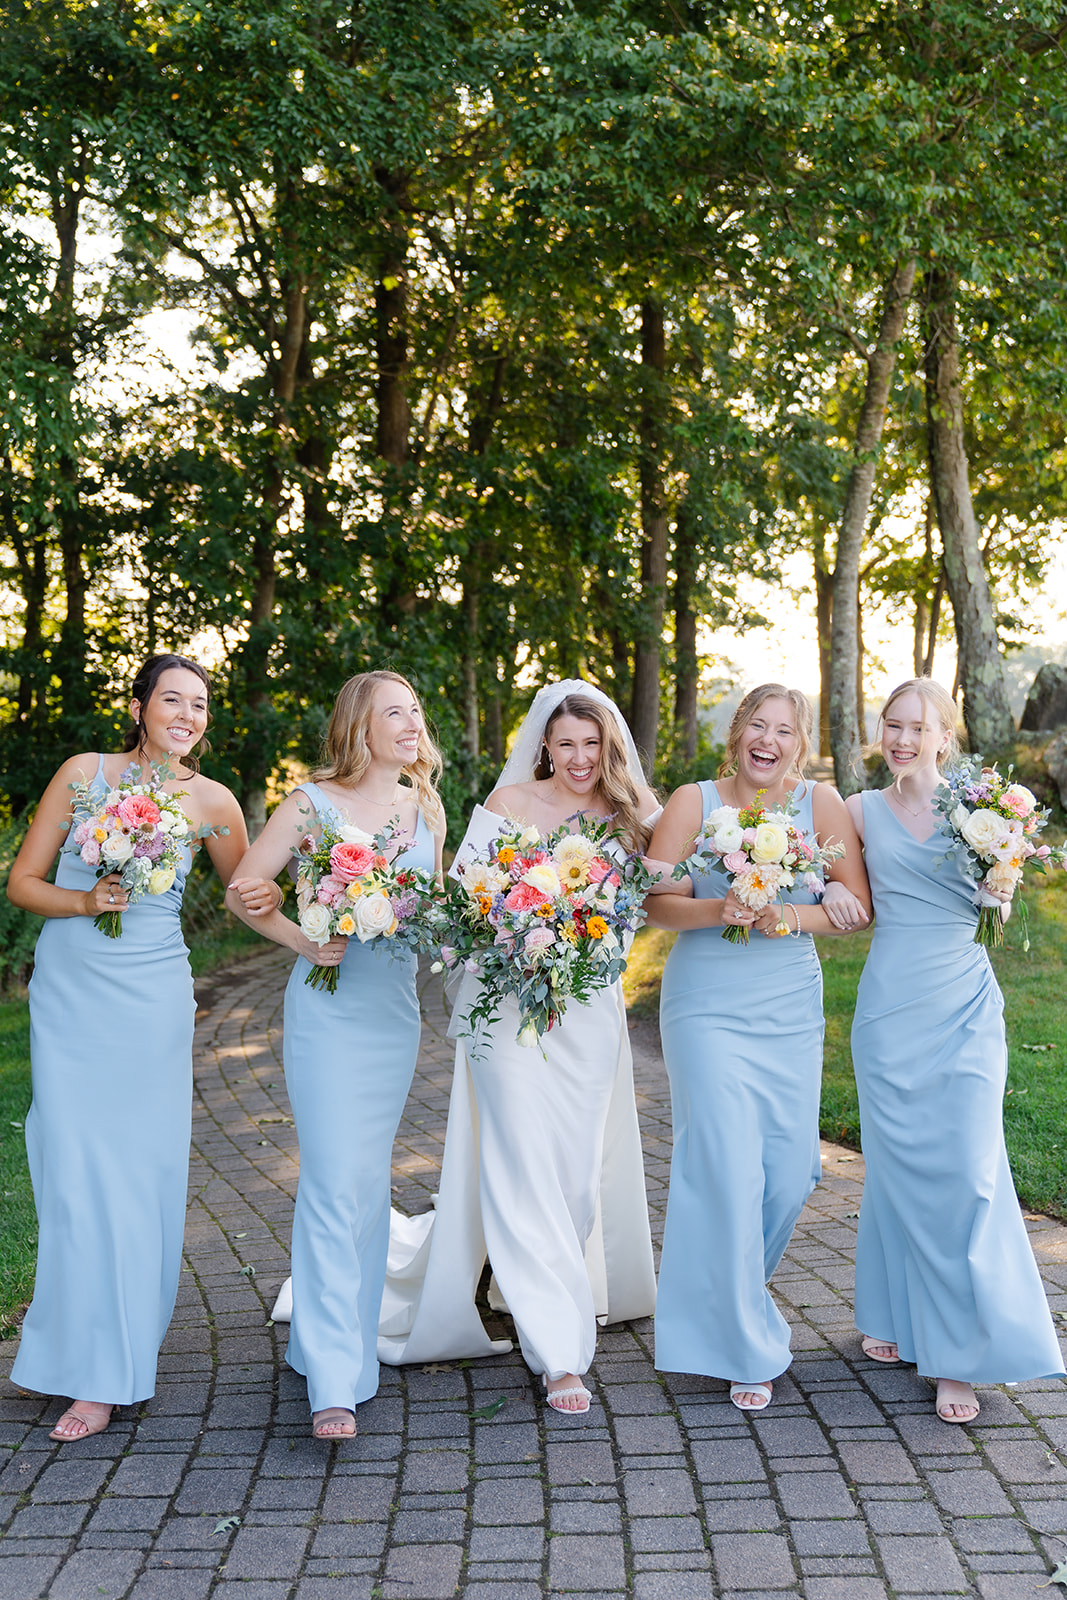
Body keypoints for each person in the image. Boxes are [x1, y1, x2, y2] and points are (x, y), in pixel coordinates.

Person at [379, 681, 682, 1413]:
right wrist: (518, 927)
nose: (580, 758)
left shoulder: (638, 814)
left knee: (572, 1175)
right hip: (503, 1003)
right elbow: (464, 903)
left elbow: (672, 892)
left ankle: (519, 1277)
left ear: (610, 747)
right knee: (517, 1156)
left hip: (585, 1007)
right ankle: (557, 1352)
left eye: (593, 744)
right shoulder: (510, 807)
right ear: (544, 744)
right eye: (566, 743)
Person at [7, 654, 252, 1442]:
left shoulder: (213, 801)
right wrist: (84, 899)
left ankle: (108, 1371)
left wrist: (340, 904)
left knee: (133, 1172)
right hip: (72, 990)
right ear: (140, 705)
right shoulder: (85, 773)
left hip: (150, 997)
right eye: (172, 699)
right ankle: (63, 1350)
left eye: (201, 704)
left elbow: (252, 893)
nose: (187, 714)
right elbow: (22, 883)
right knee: (69, 1164)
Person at [822, 678, 1065, 1421]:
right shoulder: (856, 810)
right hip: (889, 1010)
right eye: (889, 725)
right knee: (896, 1169)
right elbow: (851, 902)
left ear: (943, 734)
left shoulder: (988, 809)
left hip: (962, 1003)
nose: (899, 738)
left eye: (914, 727)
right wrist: (831, 898)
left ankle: (956, 1357)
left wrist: (1001, 877)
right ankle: (894, 1318)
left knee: (967, 1173)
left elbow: (1002, 903)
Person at [225, 671, 445, 1439]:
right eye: (396, 713)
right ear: (360, 725)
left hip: (393, 1013)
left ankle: (348, 1343)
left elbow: (436, 910)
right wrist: (302, 940)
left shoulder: (426, 809)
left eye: (415, 712)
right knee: (330, 1179)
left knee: (366, 1180)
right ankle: (330, 1377)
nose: (412, 725)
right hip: (324, 1010)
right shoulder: (309, 804)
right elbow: (245, 888)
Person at [647, 684, 871, 1411]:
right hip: (705, 1004)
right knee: (725, 1168)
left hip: (785, 1004)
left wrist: (798, 914)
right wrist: (721, 908)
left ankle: (730, 1292)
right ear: (737, 732)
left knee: (789, 1169)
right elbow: (656, 902)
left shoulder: (821, 804)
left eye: (783, 730)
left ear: (798, 744)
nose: (766, 740)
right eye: (755, 725)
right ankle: (743, 1343)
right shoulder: (693, 800)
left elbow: (852, 909)